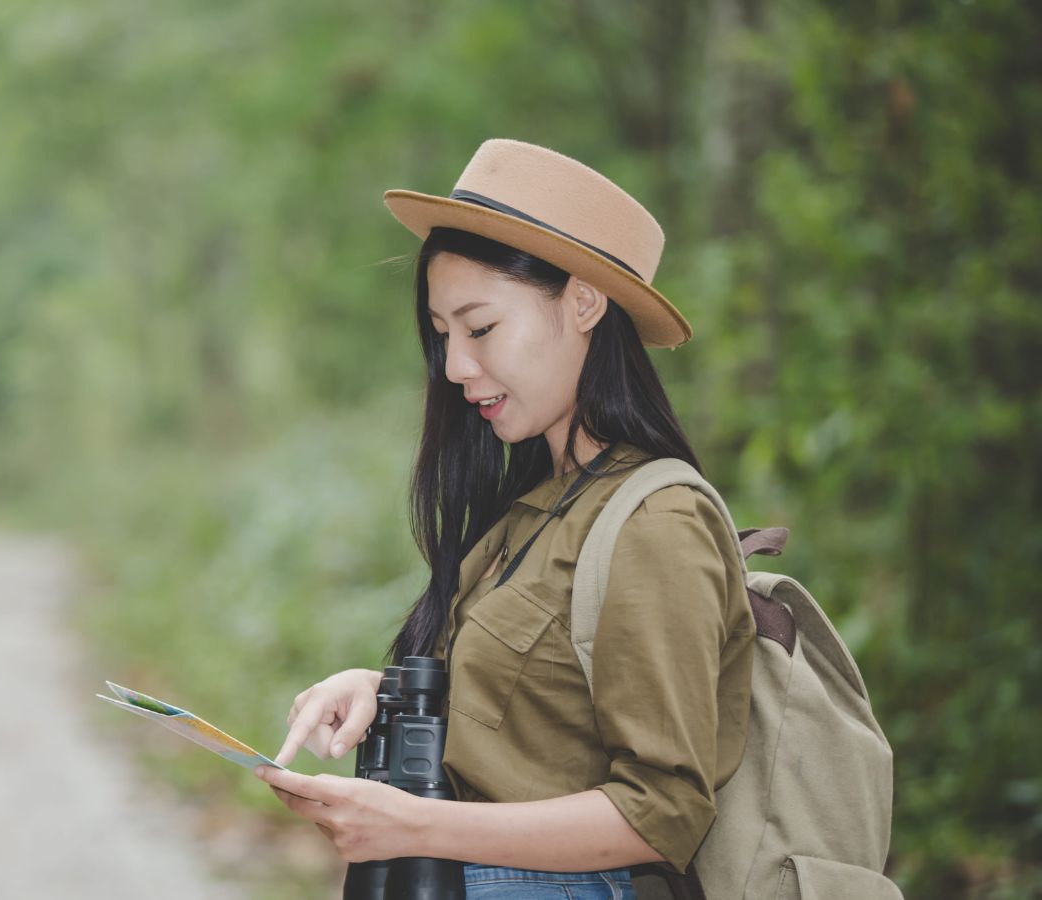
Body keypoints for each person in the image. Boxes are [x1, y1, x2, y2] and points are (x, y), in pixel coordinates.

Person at [252, 138, 756, 899]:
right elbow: (534, 719)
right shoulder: (533, 512)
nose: (455, 367)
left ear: (584, 302)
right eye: (443, 334)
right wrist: (380, 690)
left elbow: (663, 813)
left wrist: (415, 827)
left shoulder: (657, 520)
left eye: (480, 329)